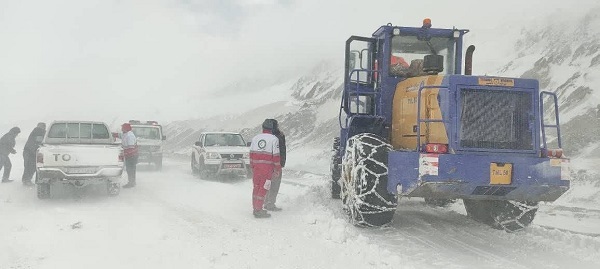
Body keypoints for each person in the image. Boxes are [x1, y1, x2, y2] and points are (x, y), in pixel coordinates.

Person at [249, 119, 281, 218]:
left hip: (256, 168)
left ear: (263, 127)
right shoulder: (274, 139)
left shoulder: (255, 138)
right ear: (271, 129)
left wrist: (252, 166)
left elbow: (251, 154)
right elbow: (276, 156)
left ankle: (255, 208)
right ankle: (259, 210)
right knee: (264, 188)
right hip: (267, 169)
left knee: (256, 187)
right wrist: (278, 168)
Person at [264, 119, 286, 211]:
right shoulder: (278, 136)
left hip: (267, 164)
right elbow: (280, 151)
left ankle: (266, 202)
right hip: (275, 164)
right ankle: (270, 204)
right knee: (275, 184)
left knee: (268, 183)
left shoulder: (265, 136)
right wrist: (279, 164)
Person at [121, 123, 138, 188]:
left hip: (131, 156)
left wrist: (124, 154)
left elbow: (131, 148)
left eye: (122, 128)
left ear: (125, 128)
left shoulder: (130, 136)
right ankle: (132, 182)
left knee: (130, 169)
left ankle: (131, 183)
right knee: (130, 169)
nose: (121, 129)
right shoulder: (126, 134)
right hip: (130, 155)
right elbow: (121, 136)